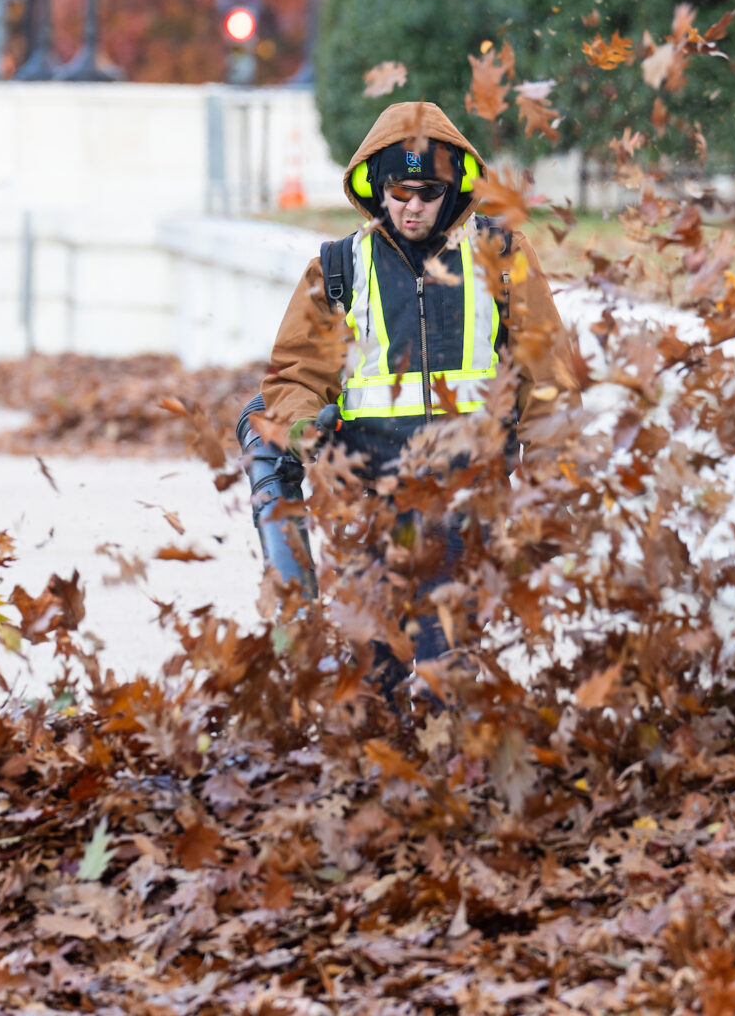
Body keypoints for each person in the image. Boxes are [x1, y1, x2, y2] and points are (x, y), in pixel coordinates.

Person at [244, 100, 574, 703]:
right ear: (377, 188)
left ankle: (443, 774)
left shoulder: (501, 257)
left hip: (464, 499)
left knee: (442, 661)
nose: (412, 207)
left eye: (427, 192)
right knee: (374, 669)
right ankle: (388, 778)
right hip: (368, 498)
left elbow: (545, 379)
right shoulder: (340, 268)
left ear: (453, 189)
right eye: (399, 192)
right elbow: (295, 374)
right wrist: (296, 430)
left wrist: (554, 477)